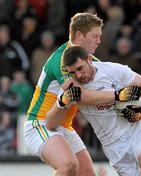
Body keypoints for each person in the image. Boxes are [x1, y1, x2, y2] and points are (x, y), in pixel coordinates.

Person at [46, 46, 141, 176]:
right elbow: (50, 123)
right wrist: (61, 103)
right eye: (73, 72)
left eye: (80, 68)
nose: (78, 75)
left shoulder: (113, 70)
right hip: (114, 146)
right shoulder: (72, 88)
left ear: (89, 59)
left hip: (137, 132)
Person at [24, 12, 104, 176]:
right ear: (79, 35)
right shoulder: (62, 59)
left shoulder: (91, 61)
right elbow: (80, 95)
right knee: (68, 165)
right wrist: (119, 96)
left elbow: (112, 84)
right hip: (39, 123)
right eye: (95, 36)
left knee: (87, 173)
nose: (99, 41)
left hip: (63, 127)